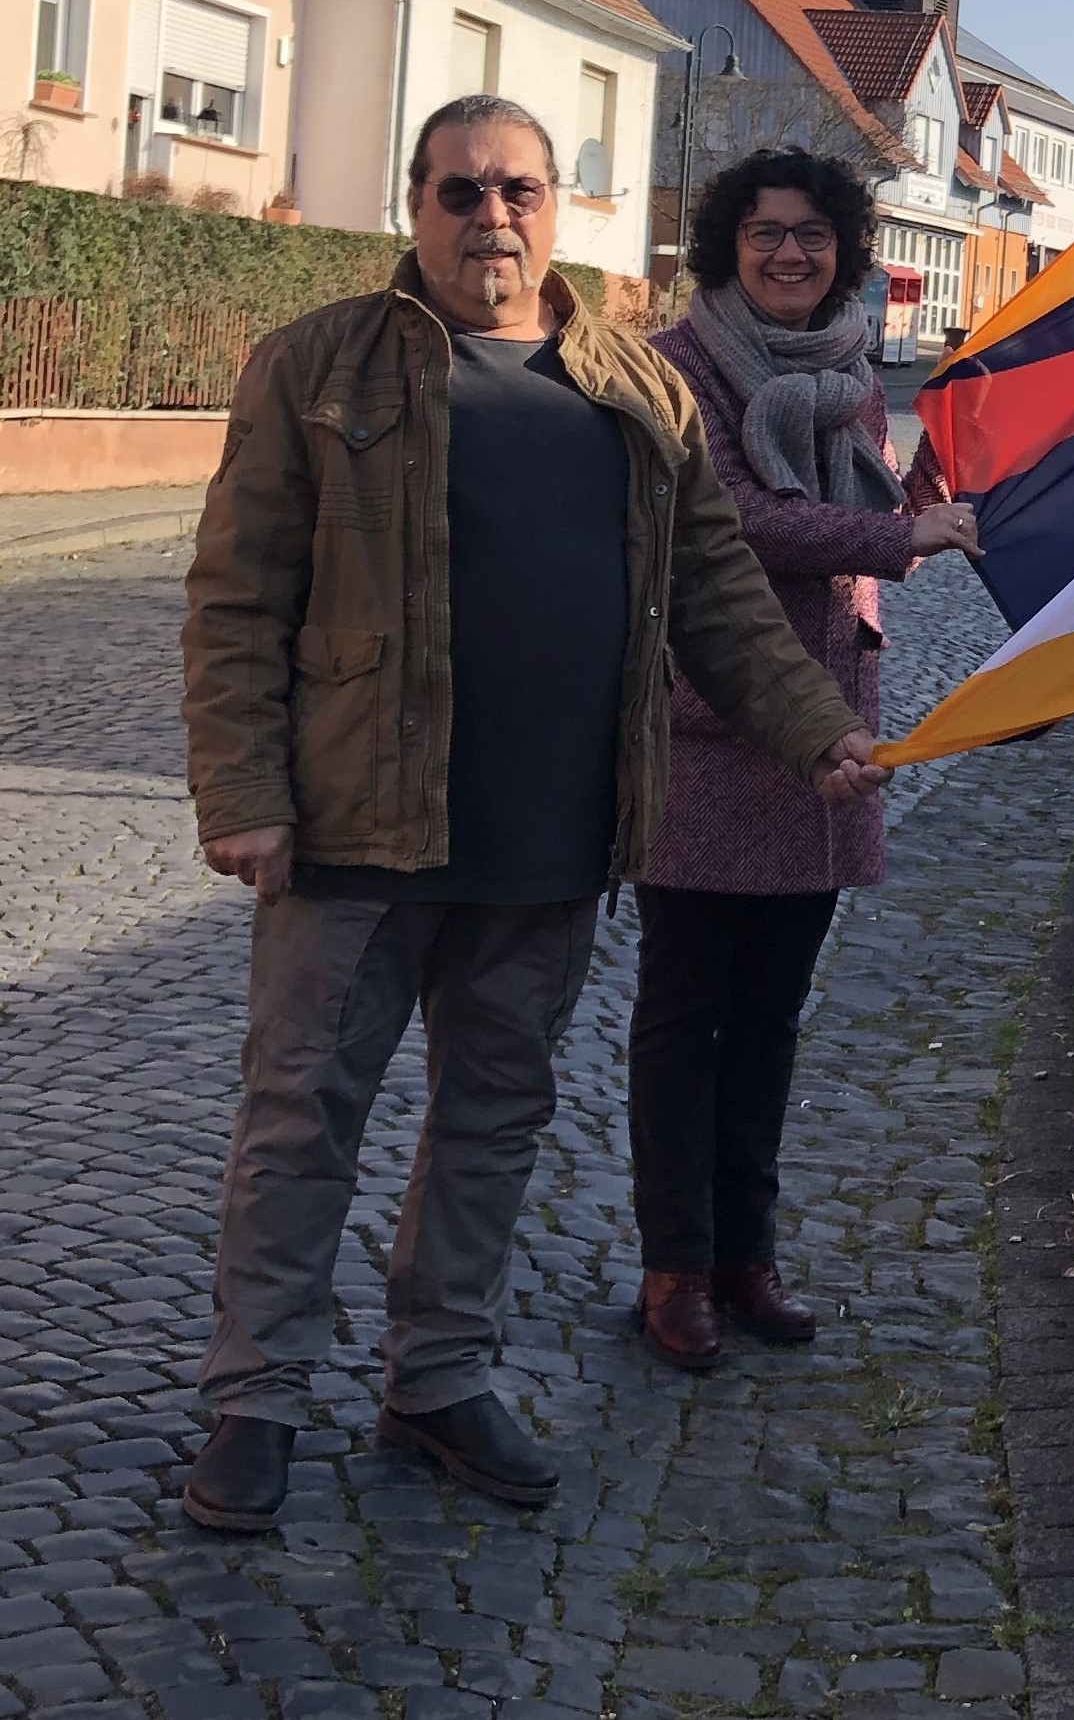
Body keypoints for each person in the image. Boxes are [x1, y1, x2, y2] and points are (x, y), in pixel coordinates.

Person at [178, 95, 888, 1535]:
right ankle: (257, 1398)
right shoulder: (315, 364)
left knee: (494, 1119)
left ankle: (437, 1375)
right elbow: (237, 597)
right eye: (459, 190)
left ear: (556, 206)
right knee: (302, 1119)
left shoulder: (633, 386)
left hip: (551, 831)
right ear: (415, 204)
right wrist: (244, 792)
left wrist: (816, 730)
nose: (489, 216)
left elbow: (716, 594)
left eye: (516, 189)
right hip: (353, 828)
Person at [627, 148, 984, 1371]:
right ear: (727, 244)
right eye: (765, 231)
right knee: (682, 1016)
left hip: (830, 737)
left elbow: (866, 512)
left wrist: (921, 505)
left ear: (845, 251)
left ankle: (747, 1254)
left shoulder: (851, 375)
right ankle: (674, 1265)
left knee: (772, 1017)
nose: (789, 252)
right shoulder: (676, 368)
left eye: (812, 234)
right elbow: (733, 520)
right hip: (709, 728)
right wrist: (898, 536)